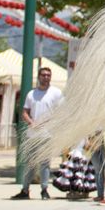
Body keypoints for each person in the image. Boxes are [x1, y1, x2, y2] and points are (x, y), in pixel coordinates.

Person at [11, 66, 63, 200]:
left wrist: (49, 121)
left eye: (48, 75)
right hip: (32, 133)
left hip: (47, 133)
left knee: (44, 163)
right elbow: (24, 111)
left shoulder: (56, 93)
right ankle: (25, 189)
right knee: (30, 163)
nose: (46, 77)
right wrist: (31, 122)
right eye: (43, 75)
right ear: (39, 77)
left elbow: (61, 111)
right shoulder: (31, 94)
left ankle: (44, 189)